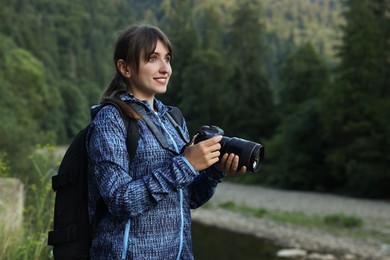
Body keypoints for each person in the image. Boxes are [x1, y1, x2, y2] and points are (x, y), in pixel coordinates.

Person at [86, 23, 246, 260]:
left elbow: (187, 199)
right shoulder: (111, 119)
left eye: (168, 59)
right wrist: (186, 165)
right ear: (125, 68)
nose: (165, 69)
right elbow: (120, 201)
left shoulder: (172, 118)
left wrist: (214, 171)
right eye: (153, 59)